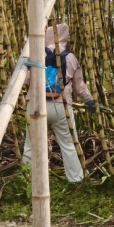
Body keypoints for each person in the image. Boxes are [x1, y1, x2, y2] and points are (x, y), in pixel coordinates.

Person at [23, 23, 95, 183]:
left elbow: (25, 79)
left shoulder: (36, 53)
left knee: (30, 145)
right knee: (68, 144)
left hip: (35, 104)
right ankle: (76, 179)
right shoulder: (70, 57)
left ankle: (27, 180)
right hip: (61, 106)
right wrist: (89, 101)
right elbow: (79, 87)